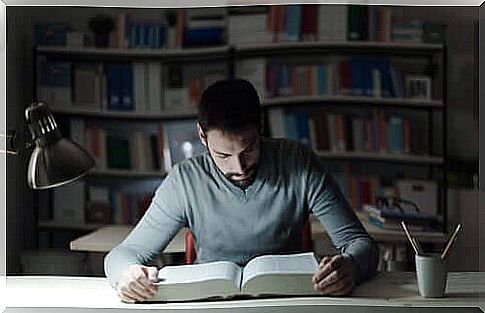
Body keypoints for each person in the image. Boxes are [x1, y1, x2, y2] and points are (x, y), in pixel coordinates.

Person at [104, 78, 379, 303]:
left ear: (260, 125)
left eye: (248, 149)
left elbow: (361, 244)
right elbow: (122, 254)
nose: (238, 166)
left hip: (286, 303)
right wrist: (127, 275)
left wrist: (350, 267)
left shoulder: (298, 162)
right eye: (223, 155)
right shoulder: (185, 180)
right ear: (202, 136)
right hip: (210, 304)